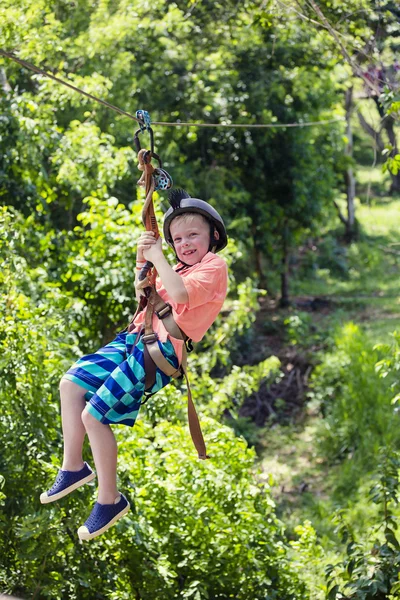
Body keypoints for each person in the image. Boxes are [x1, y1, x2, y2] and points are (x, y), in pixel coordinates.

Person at [40, 189, 228, 541]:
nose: (184, 244)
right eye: (178, 239)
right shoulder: (175, 266)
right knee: (71, 384)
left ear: (212, 237)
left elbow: (182, 295)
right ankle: (73, 466)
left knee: (92, 415)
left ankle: (109, 499)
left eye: (193, 236)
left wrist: (157, 257)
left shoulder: (213, 267)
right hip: (136, 339)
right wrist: (144, 266)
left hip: (159, 355)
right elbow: (148, 293)